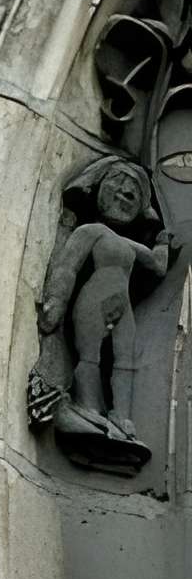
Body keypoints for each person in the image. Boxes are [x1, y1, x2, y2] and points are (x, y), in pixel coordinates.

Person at [37, 156, 175, 450]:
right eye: (117, 181)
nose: (125, 192)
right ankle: (87, 407)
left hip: (123, 307)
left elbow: (158, 266)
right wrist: (57, 300)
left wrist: (162, 239)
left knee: (125, 360)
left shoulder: (129, 245)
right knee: (90, 355)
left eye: (135, 191)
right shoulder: (90, 232)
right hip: (93, 301)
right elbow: (66, 267)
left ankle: (121, 417)